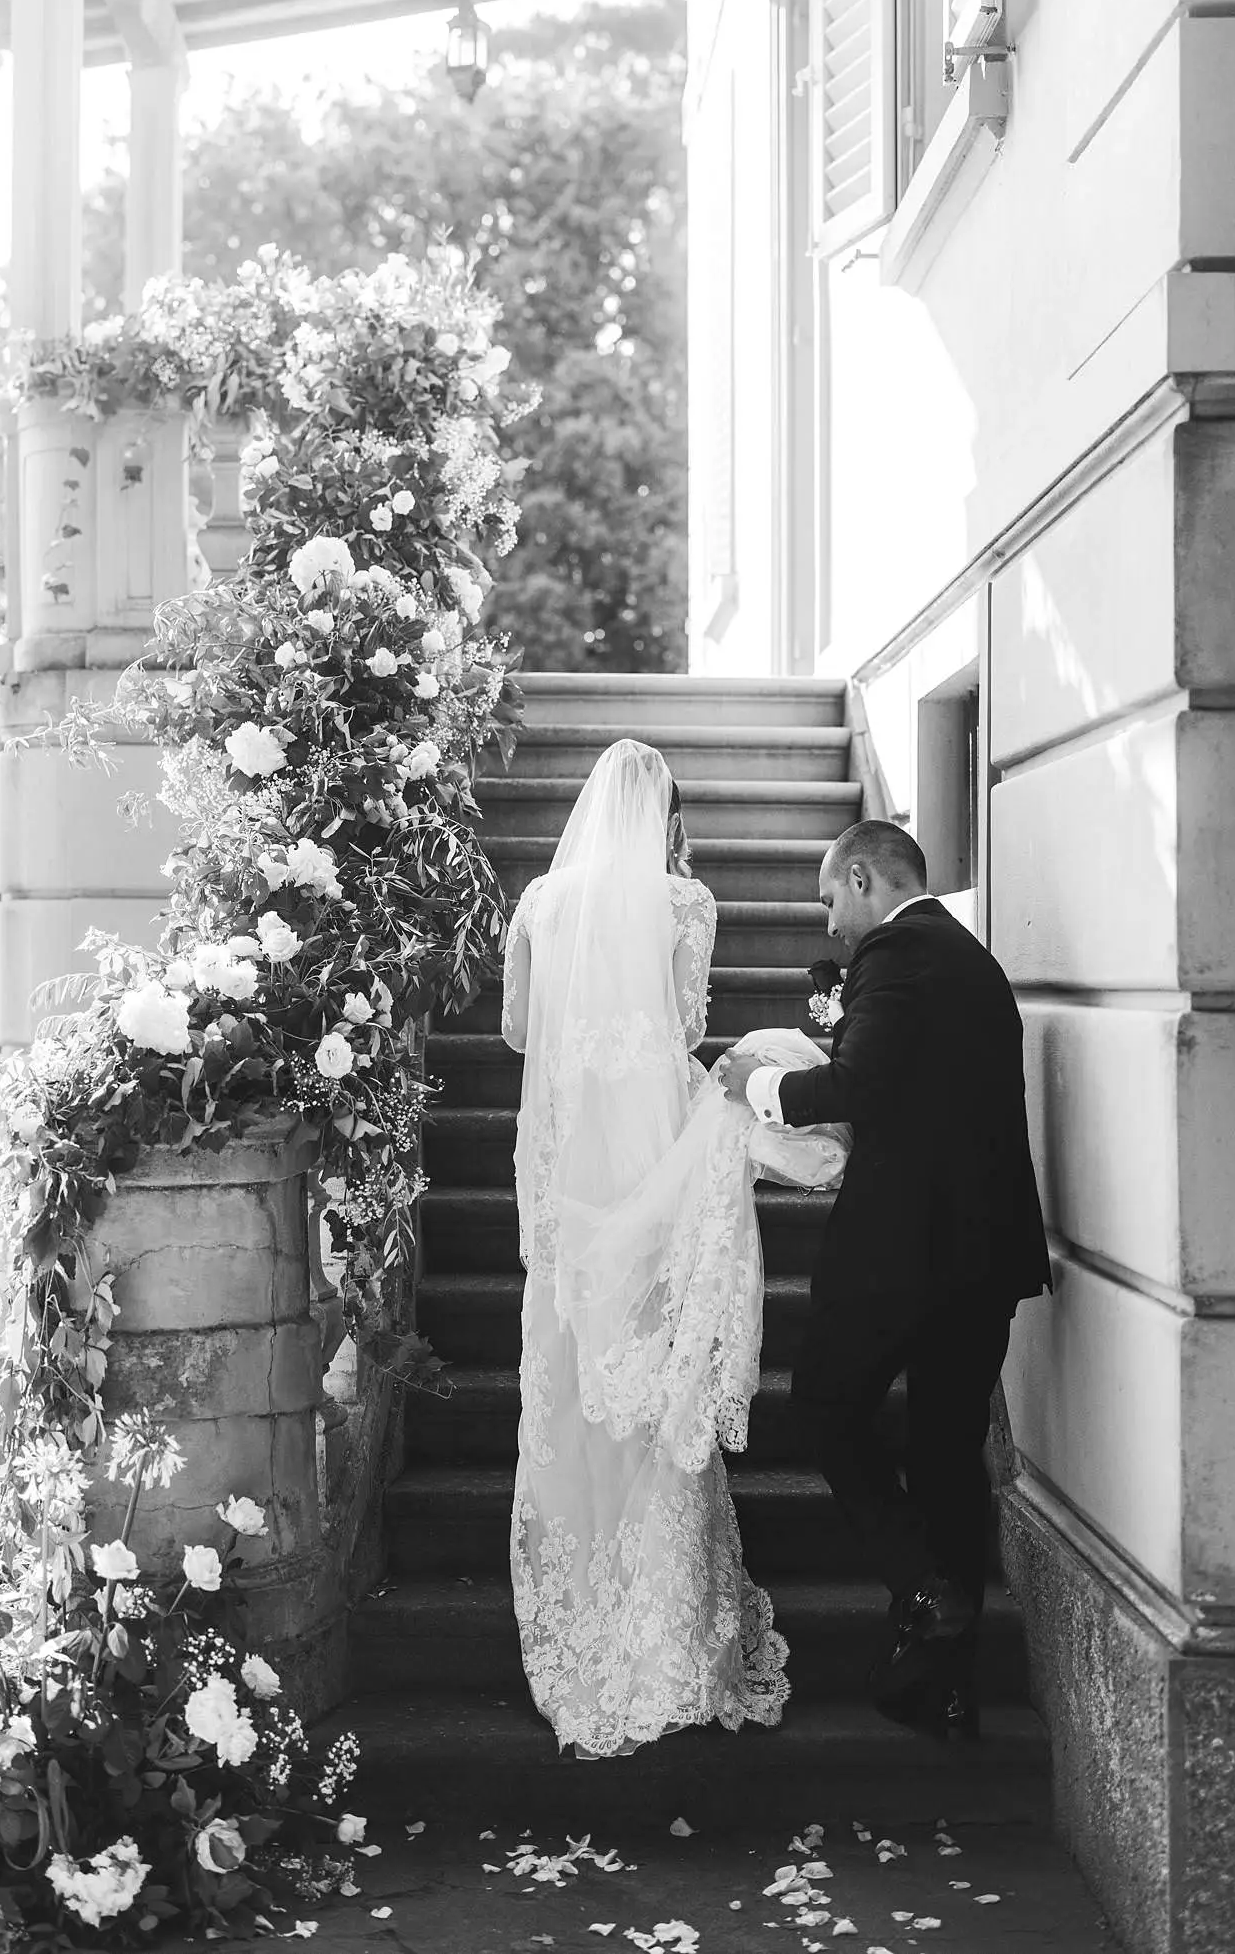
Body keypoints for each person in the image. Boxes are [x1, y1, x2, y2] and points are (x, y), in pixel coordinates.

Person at [723, 820, 1051, 1738]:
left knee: (824, 1410)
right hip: (983, 1257)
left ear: (863, 877)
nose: (830, 925)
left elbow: (861, 1084)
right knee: (947, 1452)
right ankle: (945, 1687)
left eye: (831, 899)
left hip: (905, 1254)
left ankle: (926, 1587)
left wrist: (760, 1084)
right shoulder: (966, 958)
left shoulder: (901, 950)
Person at [500, 738, 790, 1757]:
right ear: (662, 811)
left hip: (573, 1153)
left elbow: (520, 1031)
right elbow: (690, 1020)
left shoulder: (539, 897)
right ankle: (668, 1625)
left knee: (583, 1370)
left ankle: (591, 1604)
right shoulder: (685, 903)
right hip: (656, 1147)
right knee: (660, 1360)